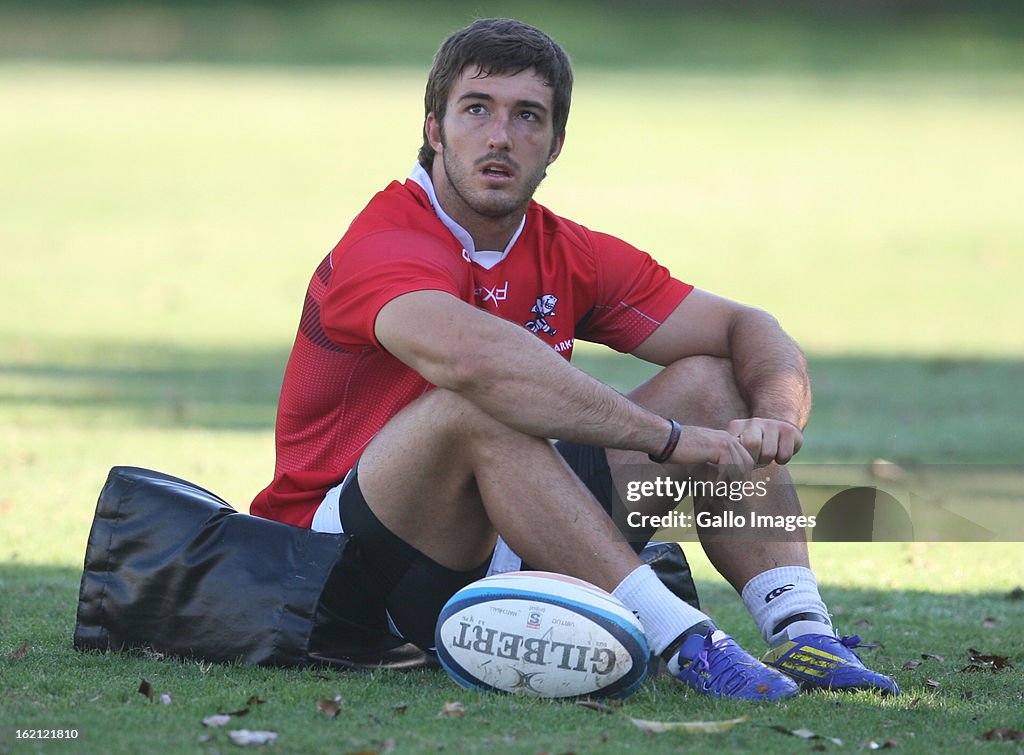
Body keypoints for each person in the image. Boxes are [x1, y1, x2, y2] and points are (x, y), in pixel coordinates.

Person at [251, 17, 898, 699]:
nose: (500, 136)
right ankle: (685, 640)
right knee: (474, 408)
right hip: (339, 569)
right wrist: (666, 438)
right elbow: (477, 365)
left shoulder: (566, 250)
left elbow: (746, 326)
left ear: (555, 144)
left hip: (495, 540)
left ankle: (804, 634)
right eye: (477, 109)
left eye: (527, 116)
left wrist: (774, 415)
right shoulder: (385, 239)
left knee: (709, 382)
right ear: (435, 129)